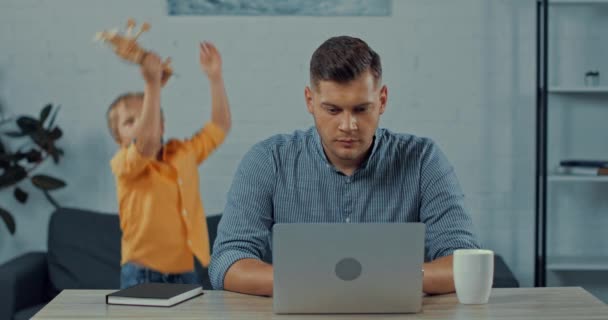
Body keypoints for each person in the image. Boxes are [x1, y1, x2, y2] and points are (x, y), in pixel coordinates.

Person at [209, 36, 479, 296]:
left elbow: (464, 262)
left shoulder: (423, 160)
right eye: (333, 110)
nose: (348, 126)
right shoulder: (268, 160)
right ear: (310, 101)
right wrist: (323, 281)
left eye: (361, 109)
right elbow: (228, 262)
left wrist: (367, 278)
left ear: (382, 100)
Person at [107, 42, 231, 289]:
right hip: (142, 273)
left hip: (186, 271)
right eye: (130, 121)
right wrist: (152, 85)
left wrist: (215, 78)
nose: (139, 123)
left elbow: (220, 126)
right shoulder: (124, 164)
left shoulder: (181, 153)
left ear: (161, 124)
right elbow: (147, 143)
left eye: (144, 116)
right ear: (118, 137)